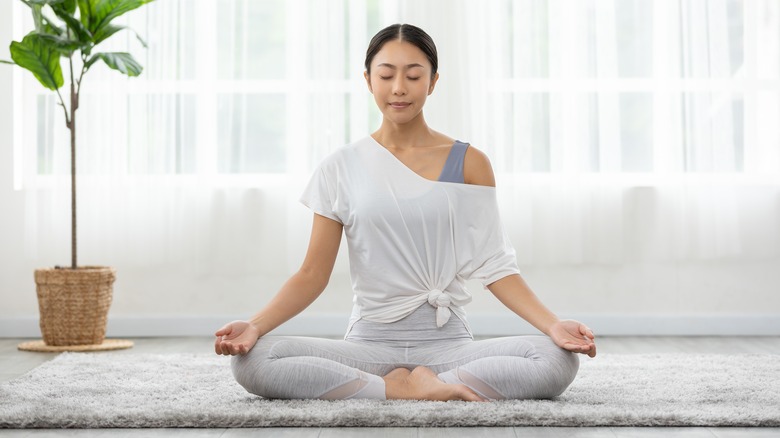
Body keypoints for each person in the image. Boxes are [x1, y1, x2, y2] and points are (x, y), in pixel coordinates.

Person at [214, 23, 596, 402]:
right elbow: (312, 274)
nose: (399, 87)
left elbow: (496, 266)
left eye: (414, 76)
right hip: (369, 347)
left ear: (432, 82)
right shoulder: (341, 166)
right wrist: (255, 325)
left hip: (448, 347)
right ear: (368, 80)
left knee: (554, 359)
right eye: (386, 75)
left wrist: (553, 325)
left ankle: (409, 385)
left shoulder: (469, 163)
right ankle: (397, 387)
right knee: (256, 360)